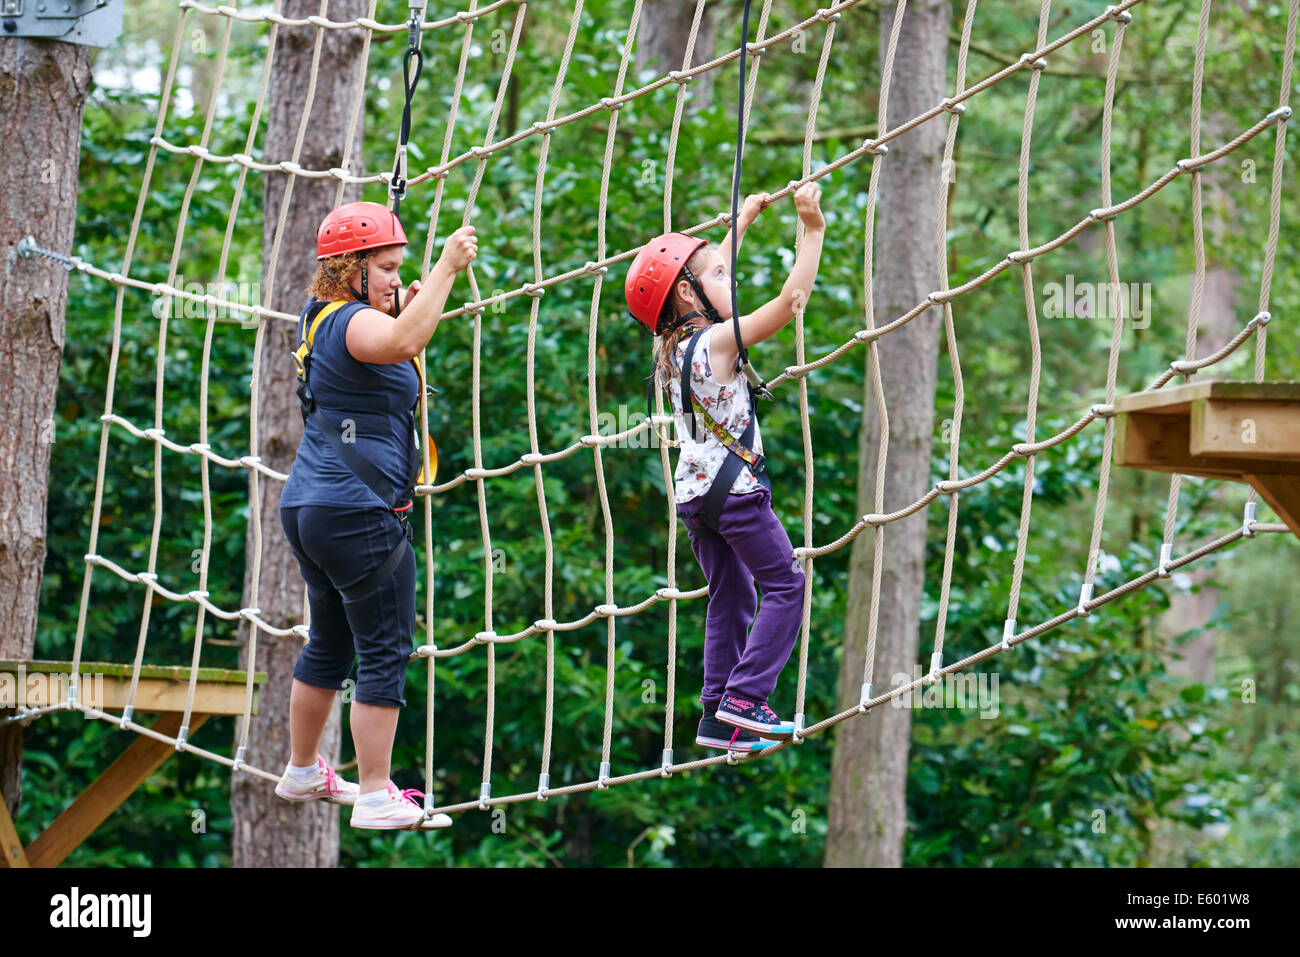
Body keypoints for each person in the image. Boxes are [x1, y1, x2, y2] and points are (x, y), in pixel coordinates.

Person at [275, 200, 477, 830]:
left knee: (330, 642)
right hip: (357, 512)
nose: (396, 277)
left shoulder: (325, 318)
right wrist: (446, 269)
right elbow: (403, 341)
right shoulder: (354, 323)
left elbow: (398, 338)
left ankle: (304, 769)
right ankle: (375, 793)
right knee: (385, 649)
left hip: (311, 507)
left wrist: (412, 298)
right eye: (386, 267)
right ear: (349, 268)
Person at [624, 183, 826, 753]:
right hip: (736, 495)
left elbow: (706, 279)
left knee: (731, 595)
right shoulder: (717, 343)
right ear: (688, 294)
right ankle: (747, 696)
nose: (730, 281)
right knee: (786, 585)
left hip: (695, 499)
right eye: (720, 276)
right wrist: (810, 230)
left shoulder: (672, 351)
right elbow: (790, 303)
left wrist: (742, 223)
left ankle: (717, 713)